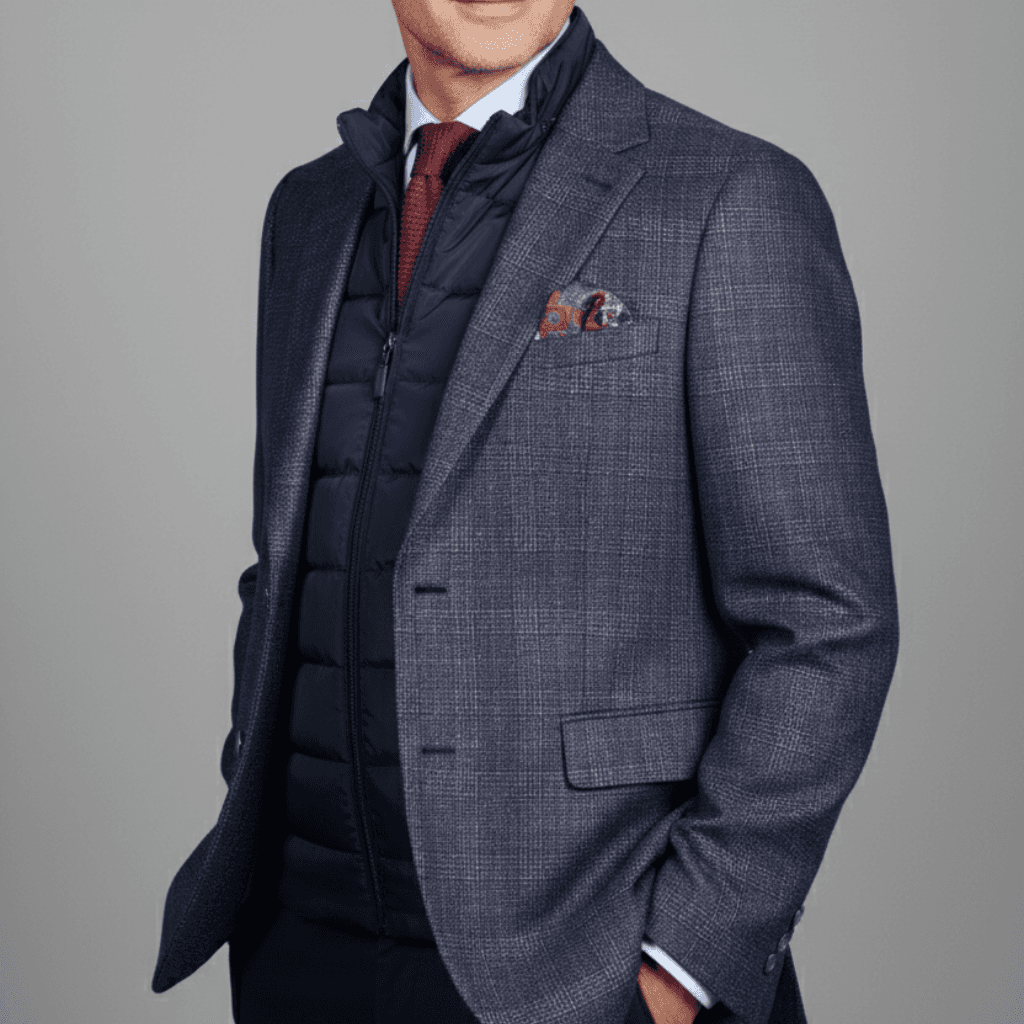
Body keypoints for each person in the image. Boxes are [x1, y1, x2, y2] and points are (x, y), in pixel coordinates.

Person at [151, 2, 899, 1022]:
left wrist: (685, 958)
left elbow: (827, 620)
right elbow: (287, 557)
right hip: (301, 946)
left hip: (585, 964)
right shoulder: (309, 211)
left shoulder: (728, 194)